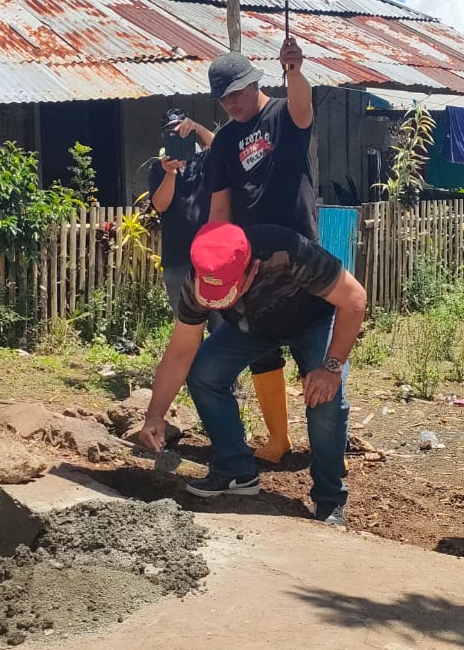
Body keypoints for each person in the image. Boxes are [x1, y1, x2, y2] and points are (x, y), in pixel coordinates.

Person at [136, 220, 365, 528]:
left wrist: (331, 367)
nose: (218, 303)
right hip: (254, 327)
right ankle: (236, 471)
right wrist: (155, 414)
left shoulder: (289, 251)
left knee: (325, 399)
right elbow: (180, 353)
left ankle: (329, 498)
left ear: (252, 269)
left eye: (226, 294)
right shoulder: (197, 280)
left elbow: (354, 298)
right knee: (204, 373)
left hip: (315, 321)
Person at [204, 38, 317, 464]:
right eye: (223, 99)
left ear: (254, 83)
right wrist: (217, 260)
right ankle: (278, 440)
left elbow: (303, 106)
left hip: (301, 255)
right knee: (263, 352)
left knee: (312, 354)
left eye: (236, 93)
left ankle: (327, 448)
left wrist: (295, 71)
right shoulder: (223, 142)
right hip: (251, 264)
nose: (231, 104)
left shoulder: (284, 114)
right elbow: (220, 208)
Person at [148, 111, 214, 315]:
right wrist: (170, 174)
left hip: (210, 257)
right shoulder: (158, 169)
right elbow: (160, 205)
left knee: (220, 320)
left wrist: (199, 128)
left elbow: (224, 148)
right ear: (164, 137)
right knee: (185, 320)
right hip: (177, 259)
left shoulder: (204, 161)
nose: (177, 135)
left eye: (181, 130)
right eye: (171, 132)